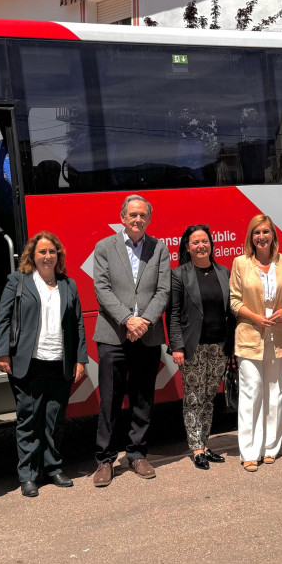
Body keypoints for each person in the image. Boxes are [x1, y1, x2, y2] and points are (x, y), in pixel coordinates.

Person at [0, 232, 88, 497]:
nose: (47, 256)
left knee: (54, 419)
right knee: (28, 420)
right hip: (29, 362)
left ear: (58, 255)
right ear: (32, 256)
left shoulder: (68, 284)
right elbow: (4, 318)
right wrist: (3, 353)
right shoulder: (18, 281)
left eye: (52, 252)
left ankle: (54, 468)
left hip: (60, 362)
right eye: (42, 252)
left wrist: (80, 359)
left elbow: (78, 324)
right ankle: (28, 475)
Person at [91, 195, 171, 487]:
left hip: (146, 335)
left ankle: (137, 454)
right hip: (113, 334)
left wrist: (144, 321)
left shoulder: (159, 248)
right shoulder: (104, 247)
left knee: (142, 397)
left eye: (143, 216)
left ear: (149, 219)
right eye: (133, 215)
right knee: (110, 399)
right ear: (122, 217)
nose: (138, 220)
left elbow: (163, 291)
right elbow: (101, 288)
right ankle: (104, 460)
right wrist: (127, 319)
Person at [230, 214, 282, 472]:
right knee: (251, 392)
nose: (261, 237)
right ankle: (249, 451)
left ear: (273, 236)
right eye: (256, 232)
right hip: (250, 335)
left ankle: (270, 447)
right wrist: (255, 316)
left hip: (279, 336)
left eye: (265, 232)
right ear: (251, 237)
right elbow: (234, 300)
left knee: (275, 393)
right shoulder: (241, 263)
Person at [167, 225, 234, 470]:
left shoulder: (223, 272)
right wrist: (177, 346)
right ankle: (196, 448)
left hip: (220, 346)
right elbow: (173, 314)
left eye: (204, 241)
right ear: (187, 247)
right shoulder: (179, 274)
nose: (201, 246)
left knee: (208, 398)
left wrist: (233, 343)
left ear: (211, 244)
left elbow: (230, 311)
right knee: (194, 398)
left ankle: (205, 445)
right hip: (193, 346)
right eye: (195, 242)